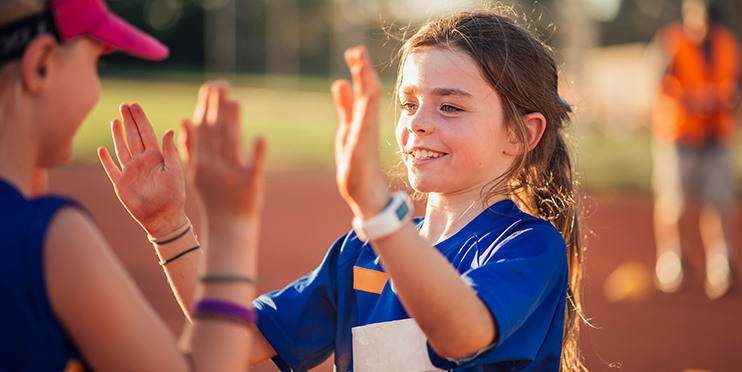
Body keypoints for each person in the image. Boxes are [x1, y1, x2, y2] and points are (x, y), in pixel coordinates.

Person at [106, 8, 588, 372]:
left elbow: (461, 333)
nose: (417, 123)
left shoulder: (527, 247)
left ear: (522, 134)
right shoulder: (361, 250)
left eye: (450, 108)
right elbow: (235, 340)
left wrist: (377, 212)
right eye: (409, 103)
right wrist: (168, 226)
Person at [0, 0, 266, 370]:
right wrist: (231, 225)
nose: (97, 85)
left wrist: (167, 225)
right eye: (96, 64)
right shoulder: (50, 239)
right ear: (41, 65)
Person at [650, 0, 739, 299]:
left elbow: (736, 84)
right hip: (680, 135)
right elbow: (656, 83)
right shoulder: (672, 42)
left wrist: (729, 99)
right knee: (674, 202)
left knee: (718, 202)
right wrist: (692, 99)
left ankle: (720, 263)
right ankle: (672, 258)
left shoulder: (727, 44)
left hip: (716, 135)